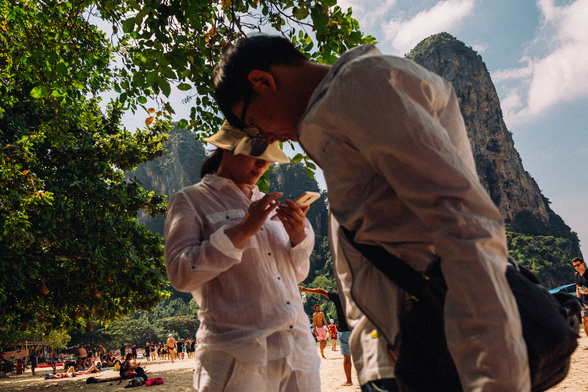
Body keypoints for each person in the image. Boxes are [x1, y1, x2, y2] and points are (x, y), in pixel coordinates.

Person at [214, 35, 530, 391]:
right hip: (396, 350)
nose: (270, 137)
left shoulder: (364, 87)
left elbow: (463, 223)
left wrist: (497, 375)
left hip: (435, 344)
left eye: (254, 124)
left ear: (262, 82)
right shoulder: (340, 108)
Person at [164, 121, 320, 392]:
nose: (262, 165)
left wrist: (298, 238)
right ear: (227, 149)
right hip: (236, 353)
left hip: (298, 348)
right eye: (255, 156)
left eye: (268, 159)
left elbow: (296, 274)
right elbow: (181, 274)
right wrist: (243, 230)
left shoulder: (268, 204)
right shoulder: (190, 200)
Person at [300, 287, 353, 386]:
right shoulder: (356, 297)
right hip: (356, 329)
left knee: (347, 356)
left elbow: (321, 291)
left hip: (343, 331)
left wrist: (305, 289)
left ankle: (349, 381)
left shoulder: (338, 297)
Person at [573, 257, 588, 343]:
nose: (576, 267)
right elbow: (577, 288)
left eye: (578, 265)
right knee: (584, 320)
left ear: (583, 263)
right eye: (575, 266)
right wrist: (578, 300)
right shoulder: (577, 275)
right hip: (584, 301)